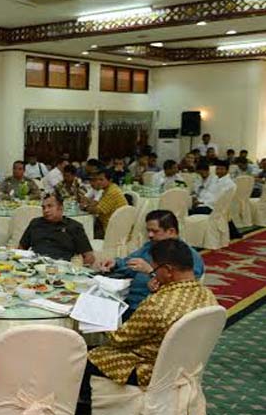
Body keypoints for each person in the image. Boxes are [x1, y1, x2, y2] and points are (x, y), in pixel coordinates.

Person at [83, 239, 217, 397]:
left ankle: (84, 403)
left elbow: (118, 339)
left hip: (148, 368)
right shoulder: (208, 295)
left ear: (167, 270)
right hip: (184, 365)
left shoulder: (157, 305)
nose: (153, 274)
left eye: (155, 269)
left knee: (83, 355)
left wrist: (98, 317)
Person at [97, 210, 205, 316]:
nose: (150, 235)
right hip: (127, 302)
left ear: (171, 231)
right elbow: (129, 261)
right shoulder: (151, 246)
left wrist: (151, 271)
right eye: (148, 231)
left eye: (155, 231)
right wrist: (115, 263)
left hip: (152, 310)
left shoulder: (187, 256)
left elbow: (184, 290)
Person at [19, 193, 94, 265]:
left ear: (60, 208)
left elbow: (89, 256)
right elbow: (21, 248)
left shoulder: (74, 226)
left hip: (61, 267)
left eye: (50, 206)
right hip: (35, 263)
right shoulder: (35, 223)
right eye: (43, 207)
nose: (46, 210)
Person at [190, 159, 240, 239]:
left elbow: (218, 200)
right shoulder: (214, 179)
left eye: (221, 169)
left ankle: (195, 236)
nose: (219, 171)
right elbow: (207, 192)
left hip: (213, 208)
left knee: (190, 212)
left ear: (227, 170)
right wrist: (198, 200)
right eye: (217, 169)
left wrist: (201, 202)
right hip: (206, 204)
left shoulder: (229, 184)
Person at [80, 169, 128, 238]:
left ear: (110, 180)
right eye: (97, 179)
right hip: (109, 223)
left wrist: (85, 207)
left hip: (113, 227)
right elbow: (96, 204)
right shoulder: (108, 189)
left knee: (85, 233)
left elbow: (96, 210)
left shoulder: (111, 192)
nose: (98, 182)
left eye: (101, 179)